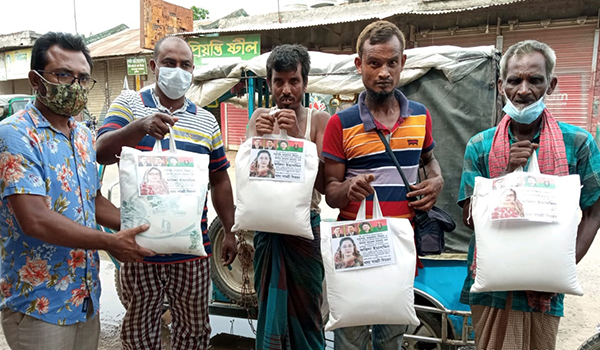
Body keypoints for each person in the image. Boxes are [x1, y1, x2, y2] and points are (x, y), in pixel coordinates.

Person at [0, 32, 154, 350]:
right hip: (39, 303)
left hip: (84, 297)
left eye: (83, 78)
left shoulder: (82, 135)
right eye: (63, 74)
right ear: (36, 80)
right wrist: (111, 242)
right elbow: (36, 220)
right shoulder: (14, 135)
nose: (75, 85)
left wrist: (143, 225)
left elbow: (91, 200)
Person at [95, 36, 238, 350]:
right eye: (169, 63)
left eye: (185, 65)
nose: (178, 71)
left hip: (190, 250)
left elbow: (221, 180)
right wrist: (139, 127)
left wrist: (229, 230)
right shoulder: (129, 105)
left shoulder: (205, 121)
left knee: (194, 330)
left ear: (192, 70)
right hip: (139, 248)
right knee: (140, 331)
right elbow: (101, 151)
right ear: (153, 66)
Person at [458, 40, 600, 350]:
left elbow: (593, 212)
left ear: (551, 85)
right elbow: (469, 218)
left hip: (543, 293)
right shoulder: (480, 146)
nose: (524, 90)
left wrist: (559, 265)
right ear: (501, 85)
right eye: (514, 80)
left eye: (535, 80)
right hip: (490, 284)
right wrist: (505, 175)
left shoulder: (577, 143)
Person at [322, 20, 444, 350]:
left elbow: (429, 161)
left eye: (392, 62)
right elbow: (330, 193)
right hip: (353, 249)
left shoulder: (421, 116)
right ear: (359, 64)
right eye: (374, 63)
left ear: (403, 63)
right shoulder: (340, 124)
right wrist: (348, 189)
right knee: (350, 340)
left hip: (400, 247)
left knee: (391, 340)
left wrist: (437, 180)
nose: (384, 72)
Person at [246, 44, 331, 350]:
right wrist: (255, 137)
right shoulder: (258, 117)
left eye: (293, 81)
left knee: (308, 315)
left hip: (304, 230)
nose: (286, 89)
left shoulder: (318, 122)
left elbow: (323, 184)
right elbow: (247, 180)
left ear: (304, 83)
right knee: (270, 308)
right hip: (269, 231)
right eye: (278, 81)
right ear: (268, 83)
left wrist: (298, 139)